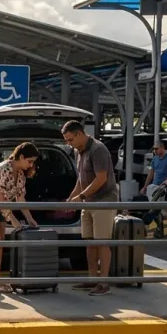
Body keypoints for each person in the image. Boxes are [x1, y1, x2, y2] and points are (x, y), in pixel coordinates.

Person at [0, 142, 40, 293]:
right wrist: (14, 220)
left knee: (0, 243)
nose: (31, 165)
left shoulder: (21, 173)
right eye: (29, 161)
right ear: (21, 157)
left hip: (1, 208)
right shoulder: (4, 168)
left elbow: (20, 198)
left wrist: (29, 218)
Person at [62, 120, 118, 296]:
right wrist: (71, 198)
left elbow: (101, 178)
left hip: (103, 201)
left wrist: (82, 197)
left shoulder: (98, 150)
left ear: (79, 134)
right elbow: (81, 180)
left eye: (70, 139)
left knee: (102, 242)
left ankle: (104, 284)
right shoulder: (80, 152)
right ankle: (92, 278)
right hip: (89, 202)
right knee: (90, 242)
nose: (68, 143)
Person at [141, 140, 167, 237]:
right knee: (154, 207)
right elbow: (151, 173)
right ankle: (159, 229)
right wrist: (145, 186)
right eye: (154, 149)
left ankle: (146, 223)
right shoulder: (154, 159)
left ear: (162, 147)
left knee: (156, 207)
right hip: (154, 186)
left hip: (165, 186)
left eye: (156, 148)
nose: (154, 150)